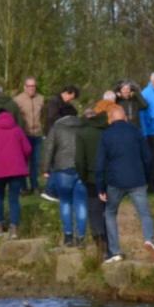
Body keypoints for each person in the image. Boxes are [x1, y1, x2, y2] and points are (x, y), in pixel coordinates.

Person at [95, 102, 154, 263]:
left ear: (110, 119)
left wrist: (100, 187)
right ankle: (149, 240)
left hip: (115, 181)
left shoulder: (106, 135)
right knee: (144, 213)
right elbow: (147, 158)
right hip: (137, 180)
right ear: (125, 117)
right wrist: (147, 178)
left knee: (110, 213)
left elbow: (100, 164)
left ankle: (115, 251)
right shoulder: (136, 131)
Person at [42, 101, 89, 246]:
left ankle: (68, 236)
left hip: (63, 169)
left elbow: (49, 149)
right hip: (82, 169)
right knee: (81, 203)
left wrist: (45, 169)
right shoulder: (84, 125)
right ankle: (81, 237)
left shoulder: (57, 127)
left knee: (65, 202)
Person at [74, 98, 113, 255]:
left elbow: (79, 160)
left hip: (91, 178)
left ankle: (100, 243)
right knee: (108, 210)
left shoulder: (82, 133)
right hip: (109, 176)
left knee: (94, 210)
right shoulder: (106, 131)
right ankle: (111, 244)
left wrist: (83, 177)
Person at [17, 77, 47, 197]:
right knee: (23, 162)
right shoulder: (18, 100)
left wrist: (43, 128)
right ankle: (23, 187)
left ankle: (35, 186)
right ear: (25, 87)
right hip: (24, 135)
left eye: (33, 86)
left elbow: (44, 116)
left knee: (35, 162)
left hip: (37, 134)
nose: (31, 88)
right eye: (29, 86)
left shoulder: (41, 98)